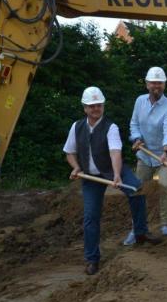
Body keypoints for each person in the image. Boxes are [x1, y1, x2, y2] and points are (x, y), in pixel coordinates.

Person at [63, 86, 161, 275]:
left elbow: (115, 152)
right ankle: (92, 259)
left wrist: (116, 174)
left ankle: (140, 232)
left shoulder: (111, 127)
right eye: (92, 106)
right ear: (85, 108)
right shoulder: (77, 127)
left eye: (99, 105)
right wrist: (75, 167)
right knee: (91, 217)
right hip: (90, 177)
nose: (95, 109)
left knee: (136, 188)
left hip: (111, 170)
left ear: (103, 106)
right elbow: (69, 152)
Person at [128, 67, 167, 240]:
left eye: (160, 83)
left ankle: (165, 225)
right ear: (147, 84)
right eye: (153, 82)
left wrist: (165, 149)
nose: (156, 85)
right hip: (144, 154)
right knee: (137, 189)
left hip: (165, 154)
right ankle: (137, 228)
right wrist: (136, 138)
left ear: (164, 84)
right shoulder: (139, 101)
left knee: (165, 185)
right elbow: (134, 123)